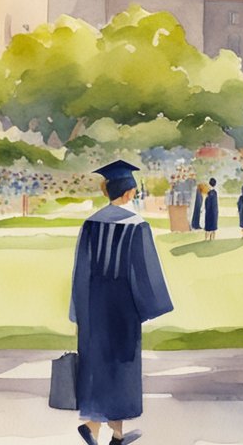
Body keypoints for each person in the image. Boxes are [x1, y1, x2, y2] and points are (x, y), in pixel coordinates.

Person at [70, 160, 173, 445]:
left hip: (93, 306)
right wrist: (150, 306)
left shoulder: (91, 224)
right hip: (123, 308)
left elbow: (81, 271)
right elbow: (144, 272)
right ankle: (113, 434)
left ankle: (95, 428)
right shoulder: (137, 226)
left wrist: (78, 310)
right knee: (120, 367)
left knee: (96, 366)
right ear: (129, 193)